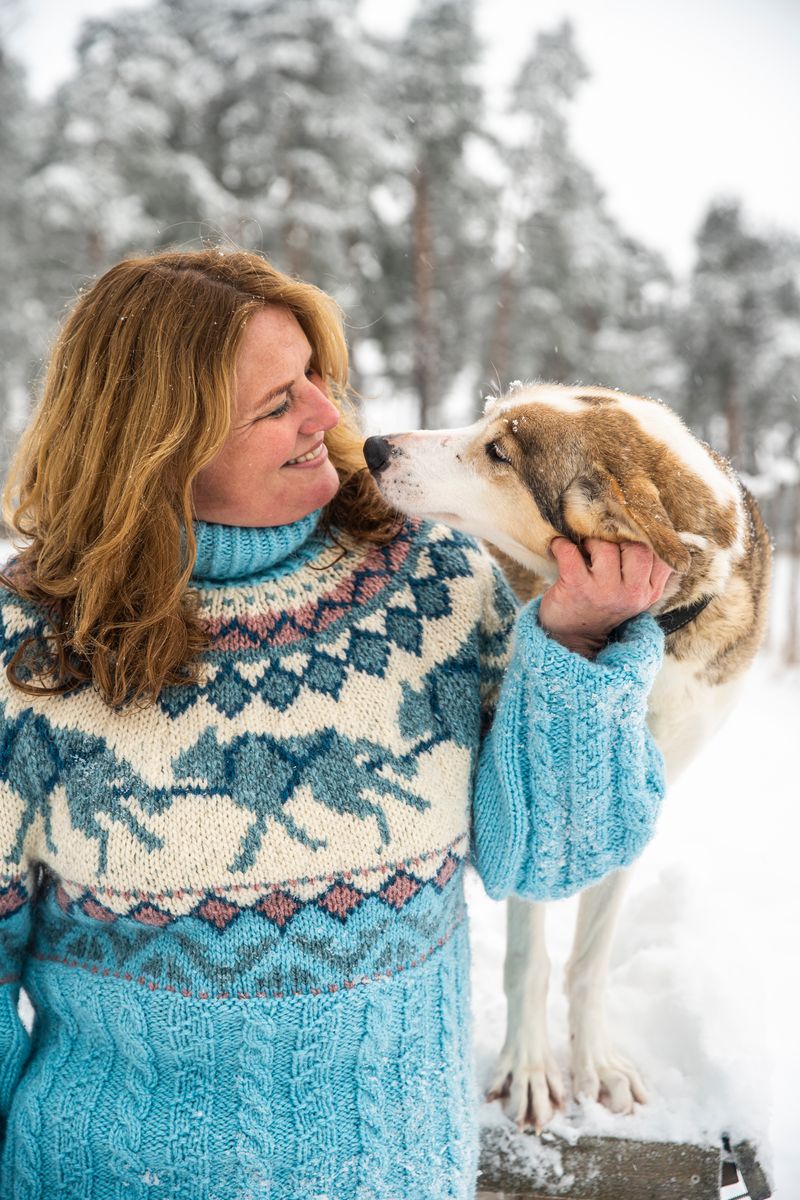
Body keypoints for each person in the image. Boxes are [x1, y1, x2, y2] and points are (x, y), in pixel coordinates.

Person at [0, 249, 671, 1200]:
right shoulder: (27, 650)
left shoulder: (432, 585)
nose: (328, 414)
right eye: (278, 403)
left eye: (318, 376)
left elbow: (551, 859)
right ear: (160, 440)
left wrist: (580, 652)